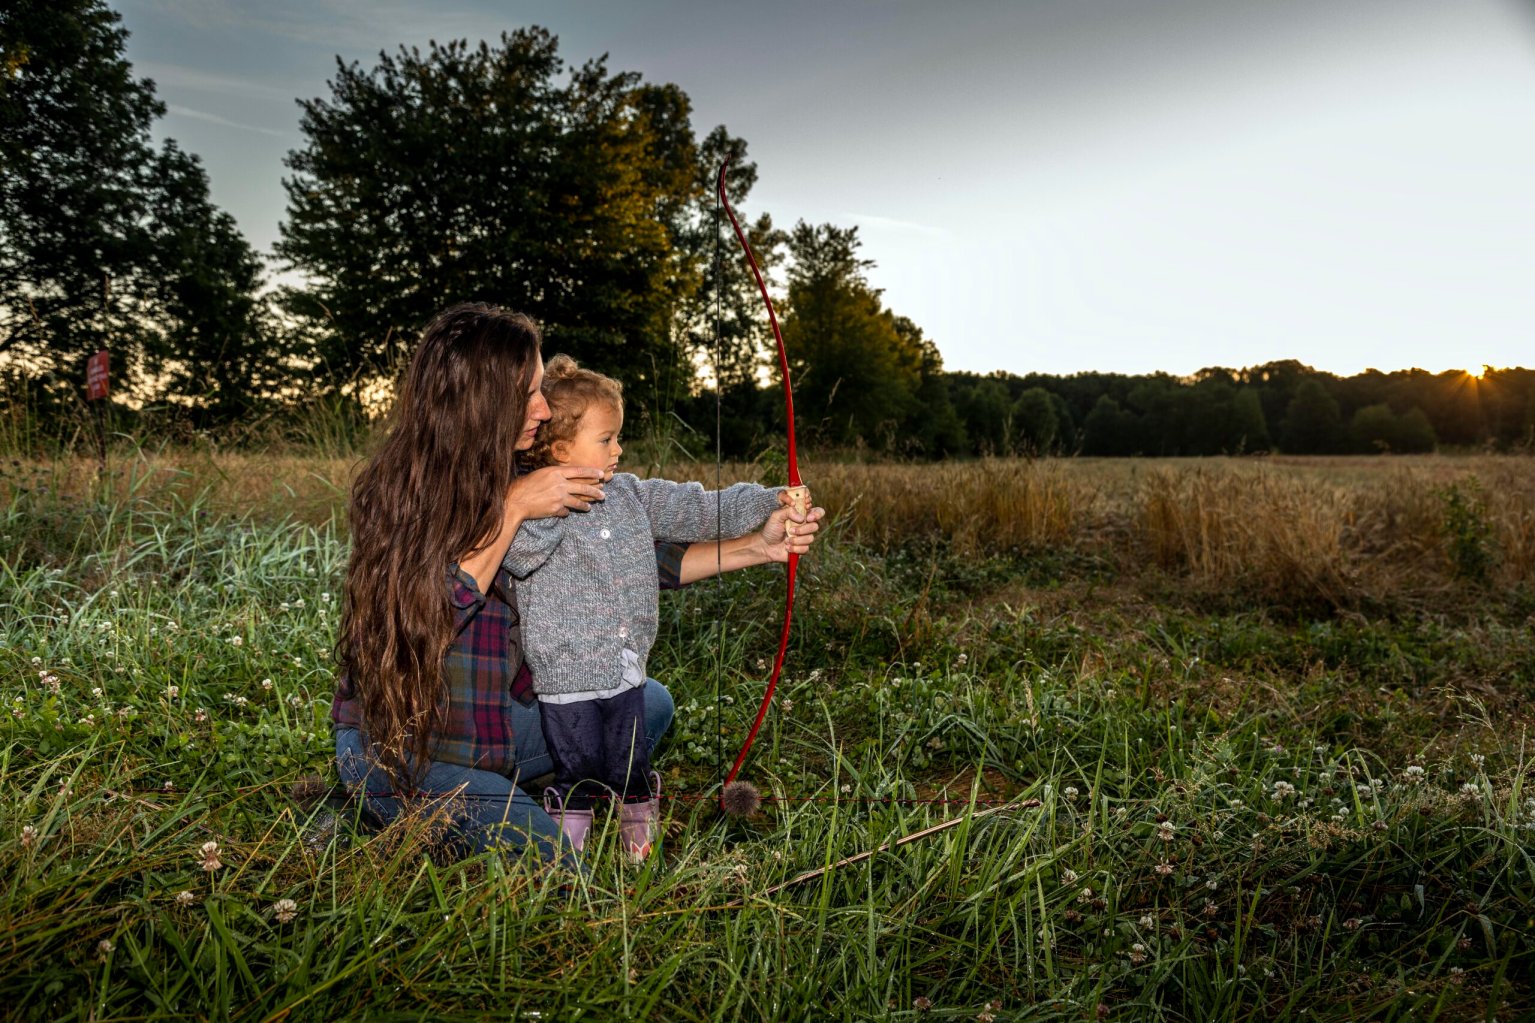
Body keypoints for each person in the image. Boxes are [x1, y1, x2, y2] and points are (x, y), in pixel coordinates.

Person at [330, 302, 822, 867]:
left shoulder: (525, 473)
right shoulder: (402, 492)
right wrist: (513, 509)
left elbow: (625, 561)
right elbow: (429, 614)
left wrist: (758, 546)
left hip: (493, 730)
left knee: (650, 703)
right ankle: (391, 807)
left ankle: (509, 797)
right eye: (529, 393)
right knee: (556, 867)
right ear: (479, 401)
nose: (544, 408)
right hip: (404, 748)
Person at [503, 355, 790, 859]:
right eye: (607, 438)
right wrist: (542, 501)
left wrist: (771, 499)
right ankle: (569, 849)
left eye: (618, 437)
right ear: (561, 447)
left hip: (625, 668)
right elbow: (520, 556)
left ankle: (638, 827)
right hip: (562, 677)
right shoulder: (531, 504)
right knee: (576, 764)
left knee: (629, 759)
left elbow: (701, 509)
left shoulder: (629, 493)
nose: (619, 448)